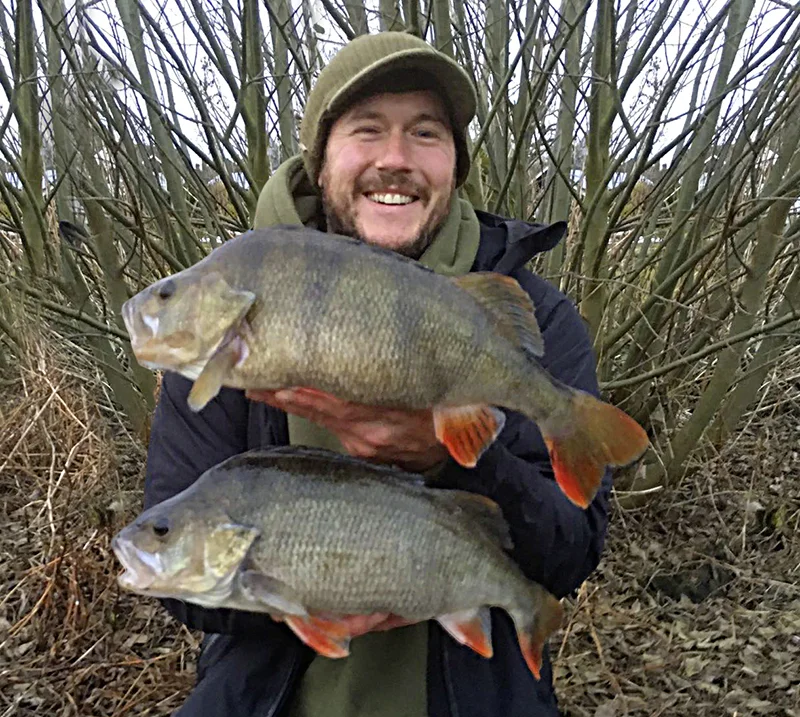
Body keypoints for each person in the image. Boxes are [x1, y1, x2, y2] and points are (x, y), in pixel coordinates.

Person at [143, 31, 612, 717]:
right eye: (367, 130)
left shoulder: (532, 312)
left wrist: (457, 458)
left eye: (425, 133)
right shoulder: (223, 323)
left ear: (455, 162)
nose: (395, 158)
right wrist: (310, 596)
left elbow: (572, 555)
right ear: (321, 157)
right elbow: (180, 576)